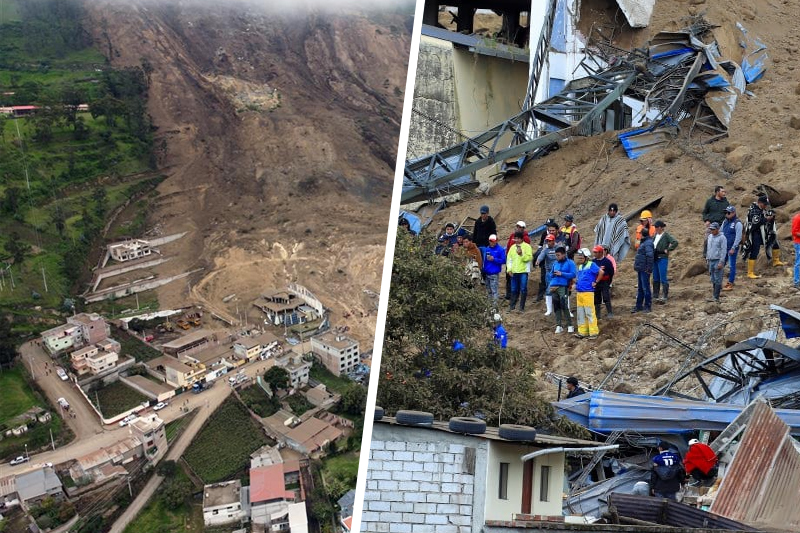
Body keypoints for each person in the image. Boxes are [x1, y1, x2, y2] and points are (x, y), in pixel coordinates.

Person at [743, 194, 785, 278]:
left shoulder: (763, 209)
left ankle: (776, 260)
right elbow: (755, 222)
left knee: (774, 240)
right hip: (755, 232)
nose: (765, 205)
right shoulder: (753, 210)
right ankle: (750, 272)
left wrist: (770, 216)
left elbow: (767, 214)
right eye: (764, 204)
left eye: (766, 204)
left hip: (763, 231)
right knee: (755, 250)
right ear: (759, 202)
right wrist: (766, 219)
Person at [573, 248, 602, 338]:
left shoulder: (591, 265)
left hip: (588, 293)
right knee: (581, 313)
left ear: (586, 257)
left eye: (582, 258)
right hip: (580, 292)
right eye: (579, 258)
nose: (580, 259)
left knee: (589, 312)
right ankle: (583, 332)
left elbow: (601, 272)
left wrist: (596, 282)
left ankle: (593, 332)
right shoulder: (580, 266)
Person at [549, 245, 576, 333]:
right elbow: (550, 274)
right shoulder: (555, 263)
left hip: (563, 286)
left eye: (558, 255)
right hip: (554, 285)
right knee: (556, 306)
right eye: (556, 255)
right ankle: (558, 325)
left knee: (564, 305)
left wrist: (562, 274)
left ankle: (570, 325)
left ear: (564, 254)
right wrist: (553, 274)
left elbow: (573, 274)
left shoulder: (570, 263)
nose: (557, 257)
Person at [652, 220, 678, 304]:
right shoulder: (655, 235)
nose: (655, 229)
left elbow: (675, 242)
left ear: (660, 227)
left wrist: (668, 249)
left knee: (663, 276)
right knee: (655, 276)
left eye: (656, 227)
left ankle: (665, 295)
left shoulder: (666, 235)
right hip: (655, 258)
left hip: (662, 258)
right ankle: (655, 294)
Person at [506, 231, 533, 312]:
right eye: (515, 238)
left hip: (523, 271)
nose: (516, 240)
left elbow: (529, 258)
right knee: (513, 289)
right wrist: (509, 269)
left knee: (523, 289)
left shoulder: (527, 247)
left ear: (521, 239)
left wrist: (521, 254)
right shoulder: (512, 247)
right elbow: (509, 260)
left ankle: (522, 307)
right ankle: (512, 306)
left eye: (518, 238)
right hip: (514, 271)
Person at [505, 221, 531, 300]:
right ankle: (509, 295)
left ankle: (518, 297)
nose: (518, 228)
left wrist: (521, 255)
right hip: (512, 260)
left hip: (521, 263)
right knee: (509, 277)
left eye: (520, 227)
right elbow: (509, 246)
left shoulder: (526, 238)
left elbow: (527, 251)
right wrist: (508, 255)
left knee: (520, 283)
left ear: (523, 228)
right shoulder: (512, 235)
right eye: (518, 227)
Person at [536, 220, 560, 301]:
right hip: (548, 268)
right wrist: (538, 260)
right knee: (548, 286)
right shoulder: (545, 237)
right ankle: (548, 306)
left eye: (553, 230)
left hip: (560, 268)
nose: (551, 232)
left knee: (562, 289)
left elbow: (565, 253)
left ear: (557, 230)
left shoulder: (562, 237)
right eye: (549, 230)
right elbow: (542, 251)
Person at [721, 205, 743, 290]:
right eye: (726, 212)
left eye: (728, 212)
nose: (726, 214)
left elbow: (738, 237)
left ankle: (730, 282)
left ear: (733, 213)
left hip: (731, 248)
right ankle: (719, 281)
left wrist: (733, 248)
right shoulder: (725, 222)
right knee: (722, 263)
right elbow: (721, 232)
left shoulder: (737, 223)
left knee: (731, 266)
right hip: (724, 247)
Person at [536, 234, 558, 316]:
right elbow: (541, 256)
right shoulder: (545, 250)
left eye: (550, 241)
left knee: (562, 291)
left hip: (559, 272)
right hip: (549, 272)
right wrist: (538, 260)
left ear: (553, 241)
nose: (548, 242)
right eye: (547, 241)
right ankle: (549, 309)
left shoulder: (558, 248)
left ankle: (565, 309)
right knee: (548, 290)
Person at [632, 231, 654, 313]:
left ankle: (647, 306)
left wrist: (649, 268)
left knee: (645, 287)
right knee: (641, 288)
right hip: (641, 268)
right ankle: (639, 306)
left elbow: (650, 256)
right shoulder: (645, 242)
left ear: (642, 234)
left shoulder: (647, 243)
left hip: (644, 269)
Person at [483, 235, 506, 306]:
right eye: (490, 241)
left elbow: (504, 260)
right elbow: (484, 260)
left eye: (493, 241)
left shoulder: (500, 249)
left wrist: (494, 259)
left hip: (494, 273)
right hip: (487, 272)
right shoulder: (487, 249)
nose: (491, 242)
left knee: (494, 291)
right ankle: (489, 305)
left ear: (496, 241)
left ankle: (495, 306)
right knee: (488, 290)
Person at [592, 245, 615, 319]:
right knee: (596, 298)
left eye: (596, 252)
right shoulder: (593, 262)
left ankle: (610, 312)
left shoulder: (607, 262)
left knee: (606, 297)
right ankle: (598, 315)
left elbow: (611, 272)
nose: (594, 254)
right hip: (596, 282)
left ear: (600, 253)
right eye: (594, 252)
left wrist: (608, 282)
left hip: (604, 282)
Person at [706, 222, 726, 303]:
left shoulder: (722, 238)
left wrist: (721, 262)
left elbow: (723, 250)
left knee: (718, 279)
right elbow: (708, 248)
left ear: (718, 229)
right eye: (711, 229)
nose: (712, 231)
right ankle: (714, 296)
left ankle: (716, 297)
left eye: (713, 229)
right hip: (711, 260)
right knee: (713, 278)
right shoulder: (710, 236)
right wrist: (707, 258)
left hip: (717, 260)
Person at [793, 210, 800, 289]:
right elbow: (795, 232)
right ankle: (797, 281)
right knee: (798, 262)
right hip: (798, 243)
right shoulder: (797, 218)